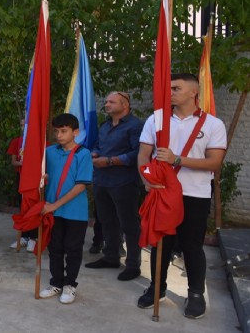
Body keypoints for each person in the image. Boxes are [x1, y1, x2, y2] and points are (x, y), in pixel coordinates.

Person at [136, 73, 226, 319]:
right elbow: (144, 155)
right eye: (169, 88)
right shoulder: (157, 119)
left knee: (191, 246)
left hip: (194, 195)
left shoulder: (213, 124)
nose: (171, 92)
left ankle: (195, 294)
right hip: (162, 193)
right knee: (160, 243)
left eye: (176, 88)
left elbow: (214, 163)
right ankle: (157, 287)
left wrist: (177, 159)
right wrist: (146, 180)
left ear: (193, 92)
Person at [85, 91, 144, 281]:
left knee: (129, 224)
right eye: (107, 101)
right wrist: (95, 153)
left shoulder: (136, 126)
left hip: (124, 182)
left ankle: (133, 265)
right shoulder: (105, 125)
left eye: (111, 102)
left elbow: (139, 154)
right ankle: (111, 257)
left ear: (124, 105)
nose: (107, 104)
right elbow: (97, 145)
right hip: (102, 180)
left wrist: (110, 161)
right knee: (106, 220)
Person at [38, 113, 93, 304]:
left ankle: (70, 285)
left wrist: (54, 204)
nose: (59, 135)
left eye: (64, 131)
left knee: (73, 249)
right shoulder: (50, 152)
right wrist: (43, 179)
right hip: (53, 211)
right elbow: (43, 174)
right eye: (56, 131)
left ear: (75, 132)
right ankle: (56, 283)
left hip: (75, 212)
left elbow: (80, 185)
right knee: (55, 248)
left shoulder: (83, 154)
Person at [6, 119, 37, 252]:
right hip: (21, 177)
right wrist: (23, 163)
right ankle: (24, 236)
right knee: (23, 207)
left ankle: (33, 238)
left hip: (34, 178)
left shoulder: (39, 141)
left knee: (34, 207)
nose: (24, 127)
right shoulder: (17, 141)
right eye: (22, 124)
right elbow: (14, 161)